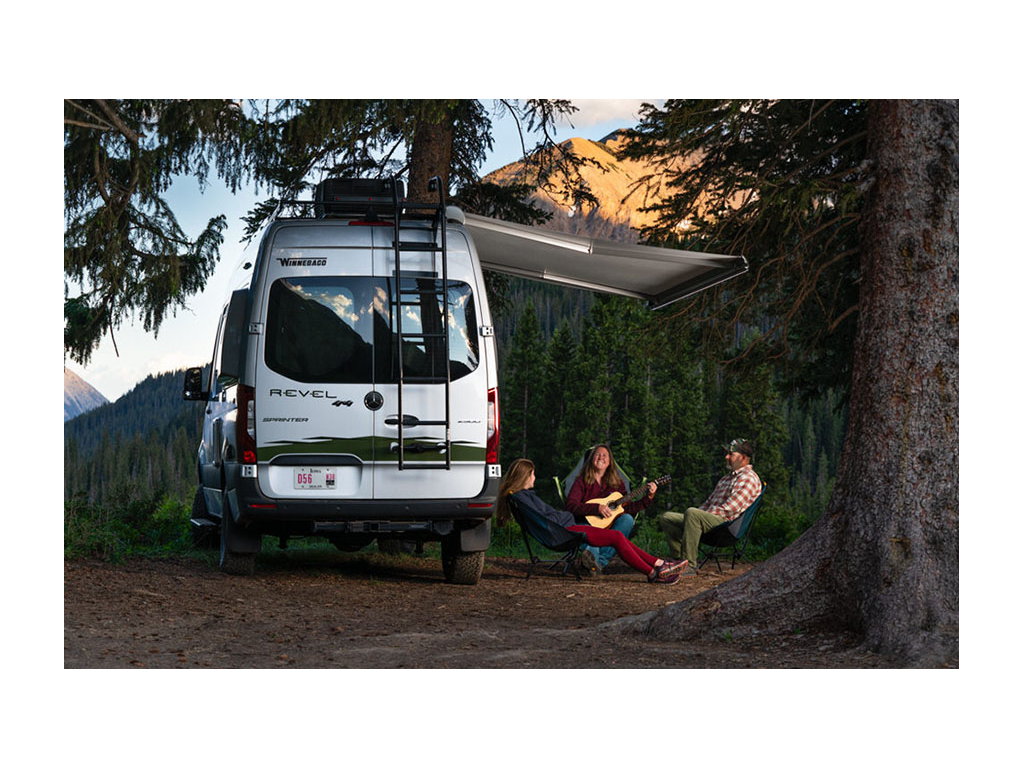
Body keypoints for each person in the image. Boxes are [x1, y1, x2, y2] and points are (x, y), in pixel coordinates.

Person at [497, 458, 687, 584]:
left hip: (566, 527)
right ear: (525, 476)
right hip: (566, 530)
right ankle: (654, 573)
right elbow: (545, 519)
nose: (534, 477)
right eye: (532, 474)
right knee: (617, 537)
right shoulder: (521, 497)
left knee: (617, 536)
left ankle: (659, 564)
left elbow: (544, 517)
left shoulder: (519, 497)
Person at [659, 438, 763, 576]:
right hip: (713, 521)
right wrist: (699, 514)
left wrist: (698, 515)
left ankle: (689, 565)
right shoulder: (725, 479)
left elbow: (730, 509)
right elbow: (708, 503)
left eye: (731, 454)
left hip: (727, 526)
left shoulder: (748, 478)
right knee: (667, 518)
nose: (726, 457)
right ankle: (679, 561)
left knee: (692, 513)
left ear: (743, 457)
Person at [565, 444, 657, 575]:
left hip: (609, 526)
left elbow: (627, 508)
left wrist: (648, 497)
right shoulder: (581, 481)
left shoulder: (617, 483)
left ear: (610, 462)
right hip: (587, 524)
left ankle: (598, 563)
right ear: (591, 459)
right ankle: (593, 564)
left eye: (605, 455)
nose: (601, 457)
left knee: (627, 519)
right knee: (591, 541)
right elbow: (571, 505)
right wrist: (596, 508)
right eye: (597, 454)